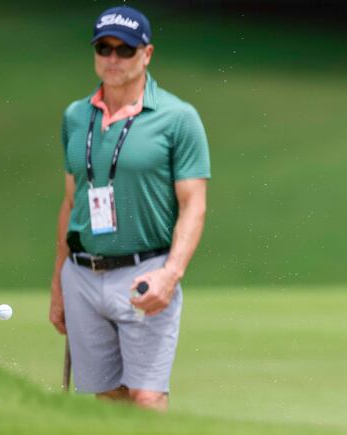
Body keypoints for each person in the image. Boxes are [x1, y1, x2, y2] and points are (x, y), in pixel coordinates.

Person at [49, 5, 210, 411]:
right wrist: (58, 283)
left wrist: (170, 275)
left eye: (126, 50)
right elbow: (72, 201)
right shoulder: (75, 116)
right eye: (104, 48)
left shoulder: (178, 118)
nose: (113, 58)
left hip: (145, 271)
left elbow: (194, 205)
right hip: (82, 273)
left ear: (147, 54)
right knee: (108, 398)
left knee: (146, 395)